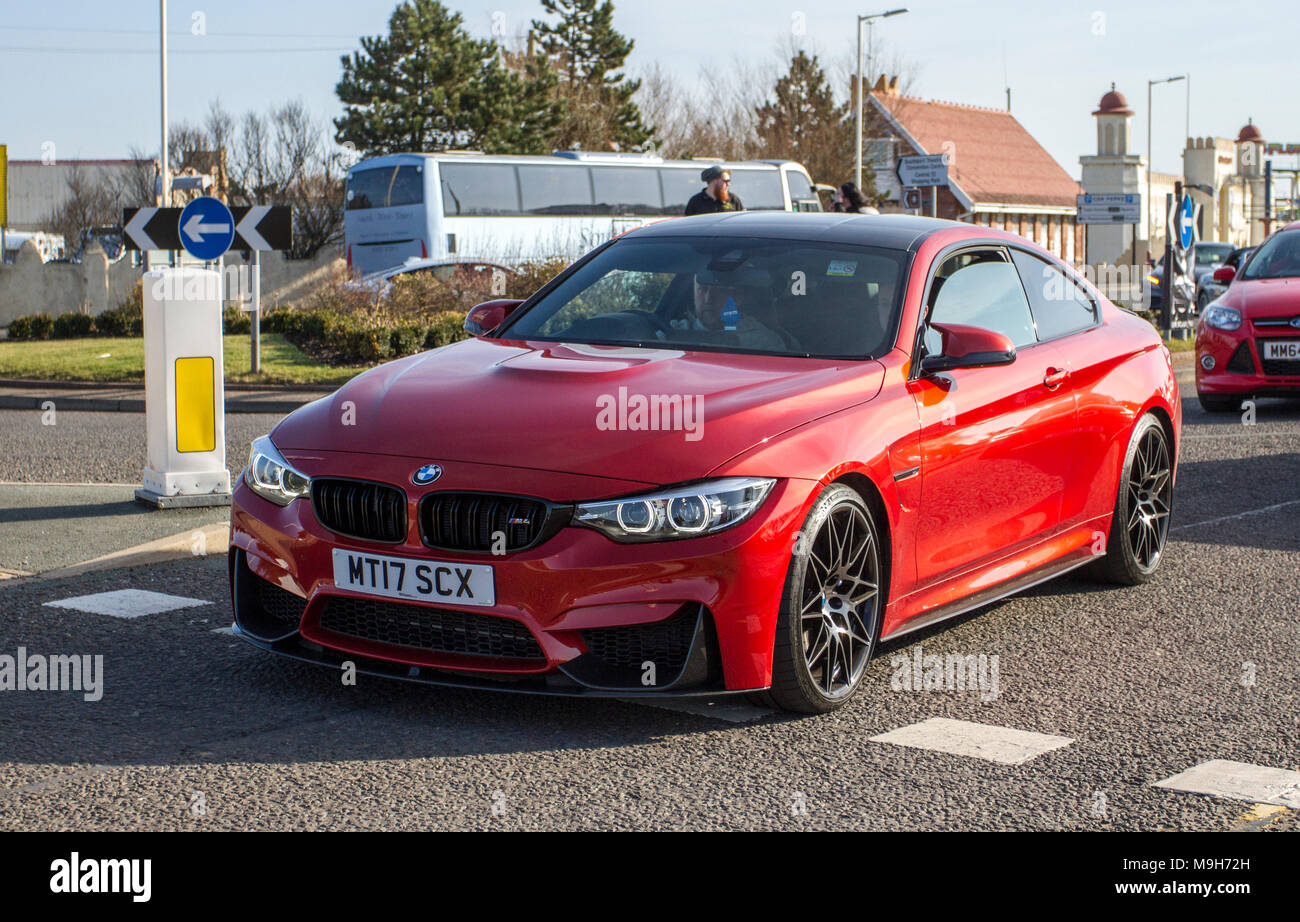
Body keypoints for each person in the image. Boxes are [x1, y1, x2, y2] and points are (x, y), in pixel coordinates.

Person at [687, 268, 786, 351]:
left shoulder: (764, 342)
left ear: (738, 298)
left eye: (720, 290)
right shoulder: (678, 332)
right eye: (702, 289)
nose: (708, 299)